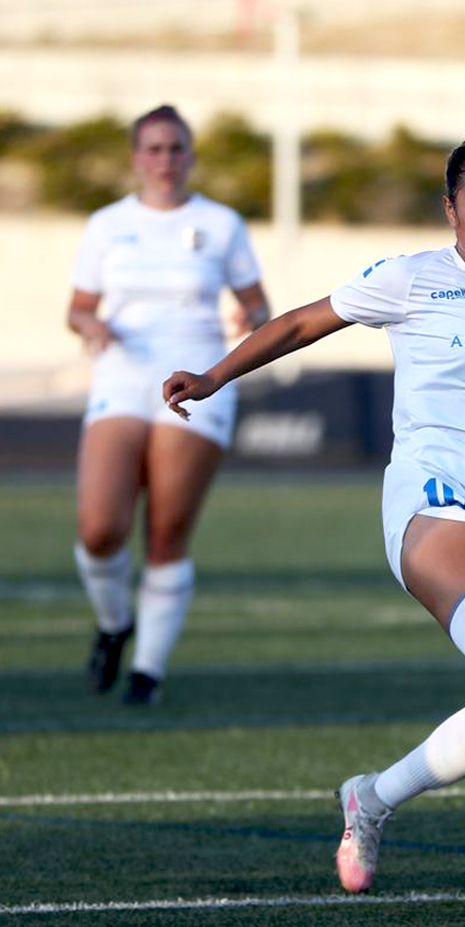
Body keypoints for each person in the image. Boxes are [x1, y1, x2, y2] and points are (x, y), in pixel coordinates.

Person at [162, 133, 465, 901]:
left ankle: (371, 797)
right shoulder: (412, 278)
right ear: (450, 208)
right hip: (435, 491)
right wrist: (215, 377)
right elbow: (301, 323)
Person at [68, 104, 271, 706]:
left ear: (190, 156)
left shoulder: (222, 223)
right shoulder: (107, 224)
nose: (165, 160)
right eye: (153, 149)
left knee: (167, 529)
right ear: (136, 158)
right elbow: (78, 307)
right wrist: (90, 326)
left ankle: (146, 673)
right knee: (100, 529)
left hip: (196, 378)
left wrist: (249, 317)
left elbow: (259, 304)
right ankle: (113, 625)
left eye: (176, 148)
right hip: (122, 375)